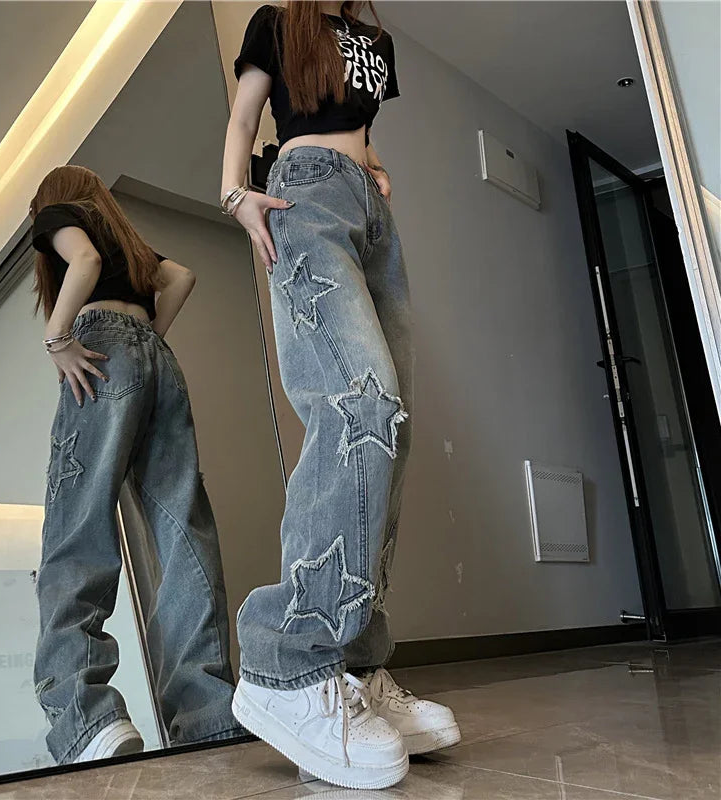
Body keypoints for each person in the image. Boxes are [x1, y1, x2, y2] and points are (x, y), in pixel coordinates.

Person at [222, 1, 459, 789]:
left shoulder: (373, 39)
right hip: (303, 193)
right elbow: (245, 113)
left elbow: (362, 122)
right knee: (361, 407)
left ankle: (355, 662)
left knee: (394, 423)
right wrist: (235, 193)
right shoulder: (275, 22)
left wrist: (377, 167)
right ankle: (287, 661)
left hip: (369, 210)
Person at [30, 165, 241, 764]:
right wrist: (143, 339)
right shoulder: (126, 237)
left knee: (77, 531)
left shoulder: (55, 215)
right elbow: (180, 276)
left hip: (102, 354)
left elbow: (84, 264)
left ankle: (85, 715)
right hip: (158, 361)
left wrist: (58, 336)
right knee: (182, 534)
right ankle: (208, 716)